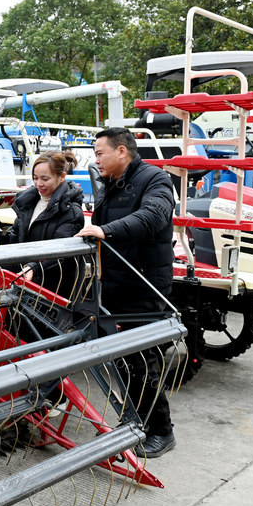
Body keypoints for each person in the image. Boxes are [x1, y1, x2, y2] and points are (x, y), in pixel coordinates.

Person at [76, 127, 176, 458]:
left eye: (100, 152)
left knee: (145, 360)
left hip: (145, 285)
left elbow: (153, 217)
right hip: (115, 285)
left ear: (122, 151)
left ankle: (161, 430)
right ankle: (133, 421)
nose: (96, 158)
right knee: (122, 360)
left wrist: (106, 230)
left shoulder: (155, 180)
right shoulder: (112, 185)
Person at [2, 151, 85, 290]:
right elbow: (14, 239)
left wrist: (34, 268)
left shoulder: (71, 213)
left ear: (62, 177)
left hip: (50, 289)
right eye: (35, 178)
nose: (38, 183)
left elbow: (62, 254)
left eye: (45, 179)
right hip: (21, 280)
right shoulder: (26, 203)